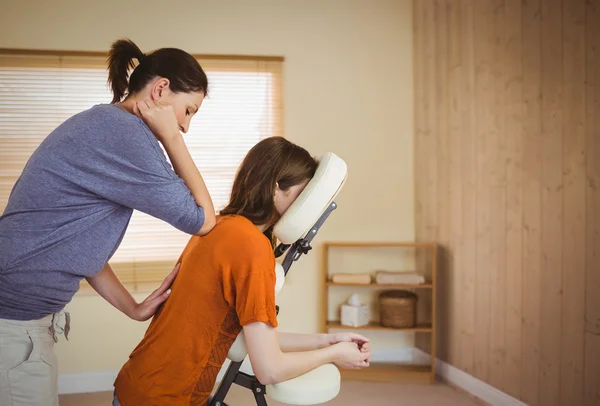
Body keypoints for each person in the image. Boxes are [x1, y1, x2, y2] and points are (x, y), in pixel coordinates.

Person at [0, 39, 217, 406]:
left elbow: (78, 245)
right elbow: (201, 220)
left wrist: (131, 308)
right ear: (161, 89)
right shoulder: (125, 134)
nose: (186, 127)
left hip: (20, 317)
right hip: (13, 321)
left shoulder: (102, 122)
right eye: (188, 111)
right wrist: (169, 139)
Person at [112, 136, 372, 406]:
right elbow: (270, 368)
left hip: (136, 385)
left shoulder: (220, 226)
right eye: (301, 193)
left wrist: (328, 341)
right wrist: (334, 355)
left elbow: (243, 338)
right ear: (275, 188)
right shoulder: (253, 247)